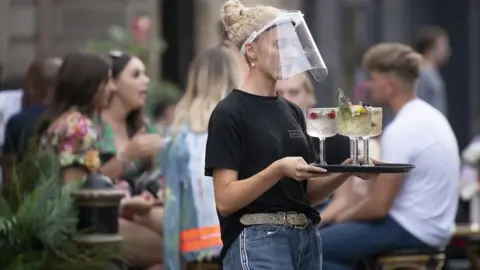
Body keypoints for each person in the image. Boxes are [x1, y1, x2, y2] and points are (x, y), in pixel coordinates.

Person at [205, 1, 374, 269]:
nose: (289, 54)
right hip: (258, 241)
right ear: (251, 51)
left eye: (289, 45)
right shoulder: (230, 113)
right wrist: (277, 170)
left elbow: (302, 196)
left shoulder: (292, 111)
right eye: (278, 45)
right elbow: (225, 201)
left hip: (305, 239)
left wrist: (346, 170)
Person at [321, 43, 459, 270]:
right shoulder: (429, 117)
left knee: (315, 246)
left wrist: (341, 219)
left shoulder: (402, 128)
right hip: (432, 229)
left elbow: (378, 207)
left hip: (410, 229)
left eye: (372, 79)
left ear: (390, 84)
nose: (367, 85)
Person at [37, 51, 162, 270]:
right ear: (91, 86)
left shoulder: (61, 122)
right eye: (106, 82)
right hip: (82, 229)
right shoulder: (78, 126)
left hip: (72, 224)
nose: (112, 88)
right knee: (172, 247)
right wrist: (126, 203)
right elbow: (76, 194)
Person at [162, 46, 243, 270]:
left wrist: (171, 264)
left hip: (196, 247)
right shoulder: (242, 126)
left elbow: (172, 206)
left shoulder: (177, 136)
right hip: (240, 242)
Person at [95, 51, 164, 268]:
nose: (146, 80)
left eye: (145, 74)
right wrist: (127, 154)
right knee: (173, 248)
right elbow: (90, 181)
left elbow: (160, 176)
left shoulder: (144, 126)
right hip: (107, 213)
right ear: (112, 83)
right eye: (136, 75)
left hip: (144, 208)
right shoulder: (92, 128)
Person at [413, 26, 450, 116]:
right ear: (430, 48)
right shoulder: (422, 75)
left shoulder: (431, 73)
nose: (446, 51)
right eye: (443, 46)